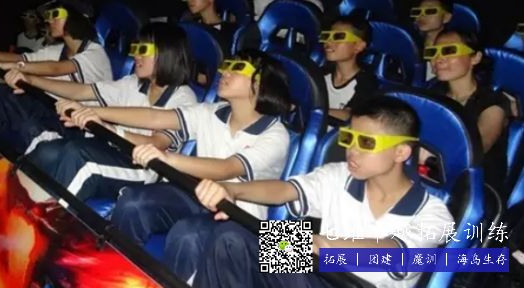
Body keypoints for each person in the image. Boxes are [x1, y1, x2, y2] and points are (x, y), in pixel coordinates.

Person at [60, 51, 292, 281]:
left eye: (237, 68)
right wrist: (93, 113)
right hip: (196, 194)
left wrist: (167, 159)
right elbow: (155, 118)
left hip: (236, 217)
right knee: (133, 203)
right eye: (226, 65)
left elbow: (226, 168)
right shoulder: (211, 112)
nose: (224, 72)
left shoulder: (275, 135)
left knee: (188, 236)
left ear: (261, 83)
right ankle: (115, 277)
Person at [190, 96, 453, 288]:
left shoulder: (434, 214)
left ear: (401, 152)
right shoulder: (339, 175)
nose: (352, 151)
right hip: (317, 273)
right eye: (349, 138)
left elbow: (394, 254)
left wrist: (320, 244)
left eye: (366, 142)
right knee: (233, 236)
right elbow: (286, 190)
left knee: (291, 259)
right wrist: (233, 189)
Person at [8, 23, 196, 201]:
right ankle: (11, 197)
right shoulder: (132, 83)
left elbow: (156, 144)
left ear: (166, 53)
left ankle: (52, 215)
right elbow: (81, 91)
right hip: (113, 150)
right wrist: (32, 80)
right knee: (47, 150)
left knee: (79, 155)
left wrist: (107, 126)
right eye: (135, 49)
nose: (136, 56)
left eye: (143, 50)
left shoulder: (183, 98)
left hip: (145, 169)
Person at [0, 2, 112, 156]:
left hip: (80, 126)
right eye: (48, 16)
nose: (49, 20)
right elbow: (21, 58)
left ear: (76, 17)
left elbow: (56, 68)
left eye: (55, 14)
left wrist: (8, 66)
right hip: (54, 113)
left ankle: (31, 160)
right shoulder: (57, 50)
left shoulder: (95, 52)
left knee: (30, 125)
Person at [425, 28, 509, 197]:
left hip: (475, 189)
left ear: (475, 58)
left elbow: (476, 148)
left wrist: (427, 155)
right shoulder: (432, 93)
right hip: (432, 176)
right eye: (433, 52)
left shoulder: (493, 102)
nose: (438, 58)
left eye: (449, 50)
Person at [319, 16, 377, 122]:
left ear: (358, 46)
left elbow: (350, 115)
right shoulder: (319, 74)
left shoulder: (366, 82)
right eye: (326, 36)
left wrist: (312, 111)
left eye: (338, 37)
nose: (328, 42)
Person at [410, 0, 453, 81]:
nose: (422, 15)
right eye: (418, 11)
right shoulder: (411, 42)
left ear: (446, 17)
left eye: (430, 11)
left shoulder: (452, 48)